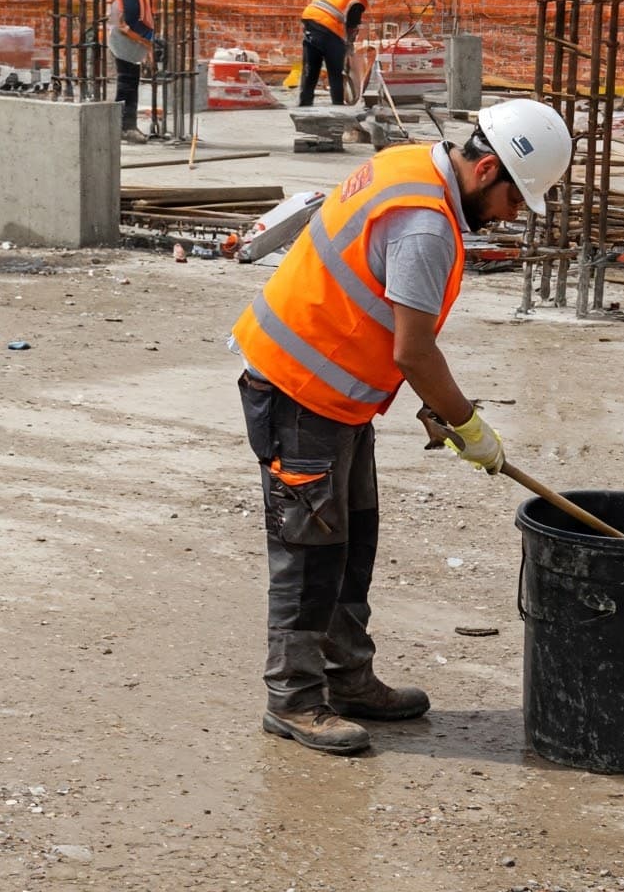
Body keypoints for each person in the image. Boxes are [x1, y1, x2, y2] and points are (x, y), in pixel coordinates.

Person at [229, 99, 574, 755]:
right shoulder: (426, 226)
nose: (512, 217)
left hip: (338, 394)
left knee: (350, 543)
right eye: (514, 200)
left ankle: (348, 679)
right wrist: (468, 425)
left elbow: (377, 308)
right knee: (310, 552)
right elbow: (413, 351)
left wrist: (426, 402)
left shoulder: (412, 164)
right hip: (300, 391)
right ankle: (295, 700)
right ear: (487, 170)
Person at [296, 0, 375, 108]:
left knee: (311, 67)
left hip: (309, 19)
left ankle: (304, 103)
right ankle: (338, 105)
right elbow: (351, 25)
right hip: (328, 26)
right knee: (335, 70)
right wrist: (349, 45)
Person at [108, 0, 160, 142]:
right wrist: (150, 37)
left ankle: (127, 126)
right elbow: (131, 21)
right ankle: (124, 127)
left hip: (130, 42)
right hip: (124, 42)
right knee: (127, 84)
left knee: (131, 83)